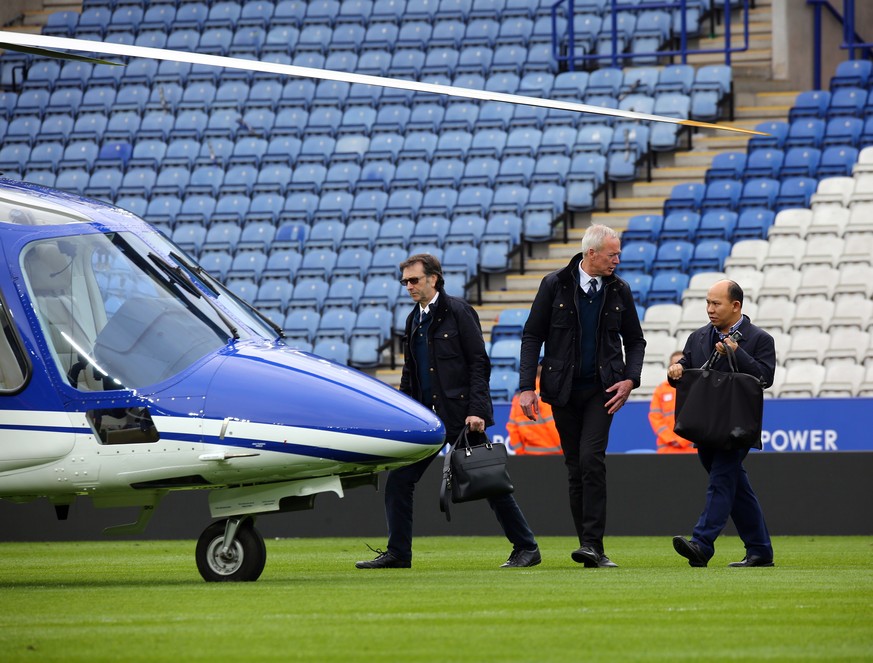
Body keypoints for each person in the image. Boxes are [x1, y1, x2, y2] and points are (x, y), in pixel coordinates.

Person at [356, 254, 541, 569]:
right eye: (405, 282)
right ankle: (399, 553)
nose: (409, 287)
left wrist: (478, 409)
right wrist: (404, 412)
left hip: (462, 418)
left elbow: (479, 363)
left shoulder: (458, 311)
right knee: (399, 481)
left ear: (433, 278)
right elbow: (410, 372)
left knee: (489, 481)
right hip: (425, 420)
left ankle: (527, 548)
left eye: (414, 280)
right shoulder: (413, 319)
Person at [518, 225, 645, 568]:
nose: (617, 260)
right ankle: (587, 545)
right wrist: (527, 386)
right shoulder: (554, 284)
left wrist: (630, 379)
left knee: (591, 459)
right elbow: (532, 336)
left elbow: (635, 341)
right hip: (562, 391)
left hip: (602, 391)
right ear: (591, 253)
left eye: (617, 254)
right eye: (612, 254)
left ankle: (594, 545)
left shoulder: (620, 290)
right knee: (575, 466)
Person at [669, 279, 776, 568]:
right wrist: (675, 371)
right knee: (735, 487)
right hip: (705, 425)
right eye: (707, 302)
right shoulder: (698, 337)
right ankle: (760, 551)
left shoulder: (759, 339)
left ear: (736, 305)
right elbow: (688, 369)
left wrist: (736, 352)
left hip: (738, 426)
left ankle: (702, 544)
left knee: (720, 481)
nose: (710, 309)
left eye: (716, 303)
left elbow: (764, 378)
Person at [506, 366, 562, 455]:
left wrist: (521, 453)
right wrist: (563, 451)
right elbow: (553, 427)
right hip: (555, 456)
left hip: (529, 456)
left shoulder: (518, 398)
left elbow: (512, 429)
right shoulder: (547, 396)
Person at [649, 351, 695, 453]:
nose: (677, 368)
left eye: (680, 364)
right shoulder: (661, 389)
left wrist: (682, 440)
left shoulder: (695, 388)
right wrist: (670, 438)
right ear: (669, 367)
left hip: (690, 450)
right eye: (674, 365)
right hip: (666, 449)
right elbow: (655, 417)